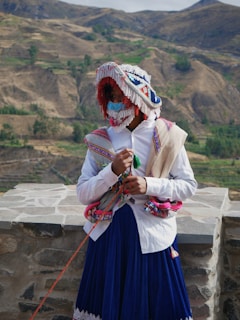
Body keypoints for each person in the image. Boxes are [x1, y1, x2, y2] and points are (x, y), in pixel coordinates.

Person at [73, 61, 197, 320]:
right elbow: (84, 193)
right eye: (111, 98)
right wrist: (112, 172)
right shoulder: (100, 140)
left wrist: (148, 185)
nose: (114, 105)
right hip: (109, 239)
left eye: (120, 98)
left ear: (139, 99)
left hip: (153, 238)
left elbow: (187, 185)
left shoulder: (168, 137)